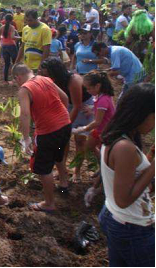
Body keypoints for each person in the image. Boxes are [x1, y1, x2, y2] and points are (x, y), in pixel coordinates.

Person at [98, 83, 155, 267]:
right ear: (140, 114)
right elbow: (124, 199)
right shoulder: (125, 147)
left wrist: (148, 160)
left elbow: (128, 174)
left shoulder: (116, 136)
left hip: (117, 218)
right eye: (154, 117)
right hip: (132, 227)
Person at [13, 64, 71, 212]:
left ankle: (49, 203)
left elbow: (25, 114)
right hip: (65, 125)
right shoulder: (46, 79)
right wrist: (59, 116)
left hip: (48, 131)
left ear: (18, 77)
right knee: (58, 156)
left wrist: (26, 138)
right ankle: (64, 183)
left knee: (44, 169)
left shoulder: (25, 89)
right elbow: (64, 98)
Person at [39, 57, 94, 184]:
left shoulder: (73, 80)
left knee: (80, 141)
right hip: (66, 104)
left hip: (83, 106)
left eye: (47, 74)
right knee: (63, 142)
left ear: (55, 72)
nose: (45, 77)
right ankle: (62, 170)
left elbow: (77, 105)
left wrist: (66, 125)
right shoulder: (51, 80)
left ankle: (77, 171)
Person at [72, 71, 115, 174]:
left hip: (104, 131)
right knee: (88, 148)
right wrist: (92, 110)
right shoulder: (101, 97)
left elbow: (97, 122)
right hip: (99, 130)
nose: (87, 91)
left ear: (97, 86)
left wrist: (82, 129)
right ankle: (101, 168)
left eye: (88, 88)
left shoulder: (103, 100)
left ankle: (104, 171)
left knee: (104, 153)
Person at [0, 14, 18, 84]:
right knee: (15, 63)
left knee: (7, 64)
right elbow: (12, 37)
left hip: (4, 46)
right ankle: (15, 78)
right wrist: (21, 38)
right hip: (12, 46)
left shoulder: (2, 27)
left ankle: (5, 79)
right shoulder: (12, 27)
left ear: (5, 19)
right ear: (12, 20)